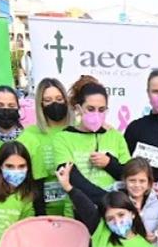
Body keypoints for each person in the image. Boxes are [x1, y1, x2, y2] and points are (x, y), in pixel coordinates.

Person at [50, 77, 130, 214]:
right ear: (78, 108)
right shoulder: (62, 138)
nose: (96, 114)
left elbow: (129, 174)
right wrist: (108, 200)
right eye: (91, 109)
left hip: (113, 214)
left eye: (101, 109)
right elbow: (72, 178)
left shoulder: (115, 136)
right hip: (79, 211)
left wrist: (110, 164)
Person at [21, 78, 70, 215]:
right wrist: (40, 215)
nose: (55, 104)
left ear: (66, 100)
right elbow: (32, 181)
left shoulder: (78, 129)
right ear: (40, 104)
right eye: (48, 100)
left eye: (59, 99)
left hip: (76, 209)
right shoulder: (30, 134)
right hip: (43, 209)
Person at [0, 85, 41, 183]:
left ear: (18, 109)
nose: (5, 110)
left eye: (11, 106)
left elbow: (37, 181)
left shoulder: (31, 141)